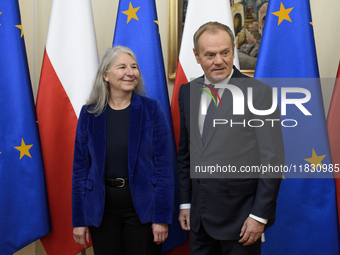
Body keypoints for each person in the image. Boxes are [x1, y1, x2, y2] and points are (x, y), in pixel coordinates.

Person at [177, 22, 285, 255]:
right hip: (200, 220)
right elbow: (185, 154)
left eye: (225, 52)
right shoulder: (187, 92)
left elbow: (272, 159)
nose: (219, 61)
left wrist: (259, 216)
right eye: (210, 54)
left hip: (241, 221)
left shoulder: (258, 92)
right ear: (196, 56)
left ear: (233, 51)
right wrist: (186, 203)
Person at [72, 46, 174, 255]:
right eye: (122, 67)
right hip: (102, 212)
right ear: (106, 75)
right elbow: (80, 170)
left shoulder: (152, 109)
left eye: (134, 67)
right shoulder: (89, 113)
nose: (130, 72)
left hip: (143, 212)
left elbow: (165, 168)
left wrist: (161, 218)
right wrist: (79, 219)